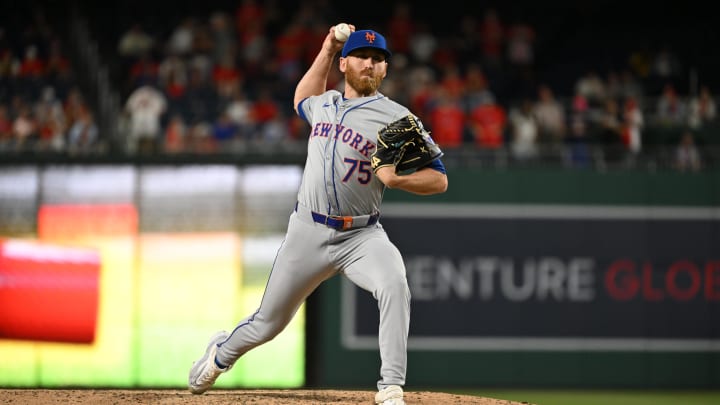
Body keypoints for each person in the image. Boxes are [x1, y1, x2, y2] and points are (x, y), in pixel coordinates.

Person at [187, 24, 448, 405]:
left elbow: (439, 180)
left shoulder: (397, 118)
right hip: (308, 230)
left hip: (361, 236)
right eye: (363, 57)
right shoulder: (325, 103)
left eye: (379, 60)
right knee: (268, 324)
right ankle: (220, 355)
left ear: (386, 70)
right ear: (345, 64)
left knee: (394, 284)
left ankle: (391, 388)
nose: (371, 65)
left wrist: (397, 179)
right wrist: (327, 48)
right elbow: (300, 100)